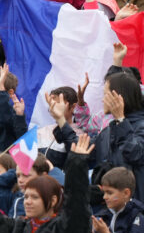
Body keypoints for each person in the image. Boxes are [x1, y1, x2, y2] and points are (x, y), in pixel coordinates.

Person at [52, 72, 144, 201]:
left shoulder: (139, 126)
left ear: (119, 97)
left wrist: (121, 120)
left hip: (135, 214)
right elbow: (83, 148)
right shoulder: (110, 129)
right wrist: (61, 120)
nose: (102, 100)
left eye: (105, 94)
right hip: (108, 210)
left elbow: (135, 154)